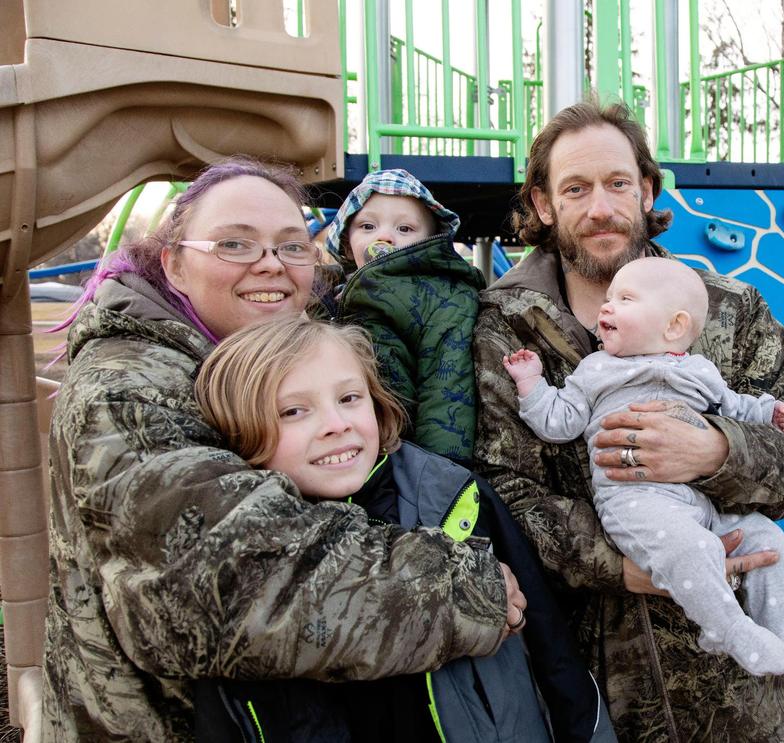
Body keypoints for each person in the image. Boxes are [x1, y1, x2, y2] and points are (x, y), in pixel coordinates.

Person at [41, 157, 518, 741]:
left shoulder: (280, 352)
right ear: (174, 264)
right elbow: (226, 581)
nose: (271, 264)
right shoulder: (126, 388)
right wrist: (463, 585)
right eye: (235, 244)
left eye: (293, 246)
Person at [473, 99, 784, 741]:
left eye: (618, 183)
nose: (600, 208)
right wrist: (621, 565)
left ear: (646, 190)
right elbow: (498, 487)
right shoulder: (506, 324)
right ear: (543, 204)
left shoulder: (727, 308)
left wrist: (716, 453)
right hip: (577, 684)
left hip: (733, 702)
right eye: (575, 188)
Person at [191, 316, 614, 741]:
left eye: (350, 398)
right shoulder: (233, 553)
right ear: (239, 429)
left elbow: (551, 645)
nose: (337, 424)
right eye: (294, 411)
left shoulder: (452, 494)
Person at [503, 257, 784, 689]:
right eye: (608, 299)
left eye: (625, 299)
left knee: (767, 539)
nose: (607, 308)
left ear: (674, 327)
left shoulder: (699, 370)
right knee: (689, 547)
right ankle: (726, 628)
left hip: (699, 499)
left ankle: (778, 630)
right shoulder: (597, 369)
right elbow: (560, 421)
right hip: (635, 501)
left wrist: (770, 412)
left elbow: (735, 405)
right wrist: (532, 384)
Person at [325, 168, 483, 463]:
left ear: (429, 242)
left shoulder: (444, 298)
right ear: (347, 242)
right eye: (368, 227)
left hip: (406, 454)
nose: (384, 236)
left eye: (405, 229)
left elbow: (447, 394)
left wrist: (438, 474)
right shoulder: (332, 296)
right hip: (342, 444)